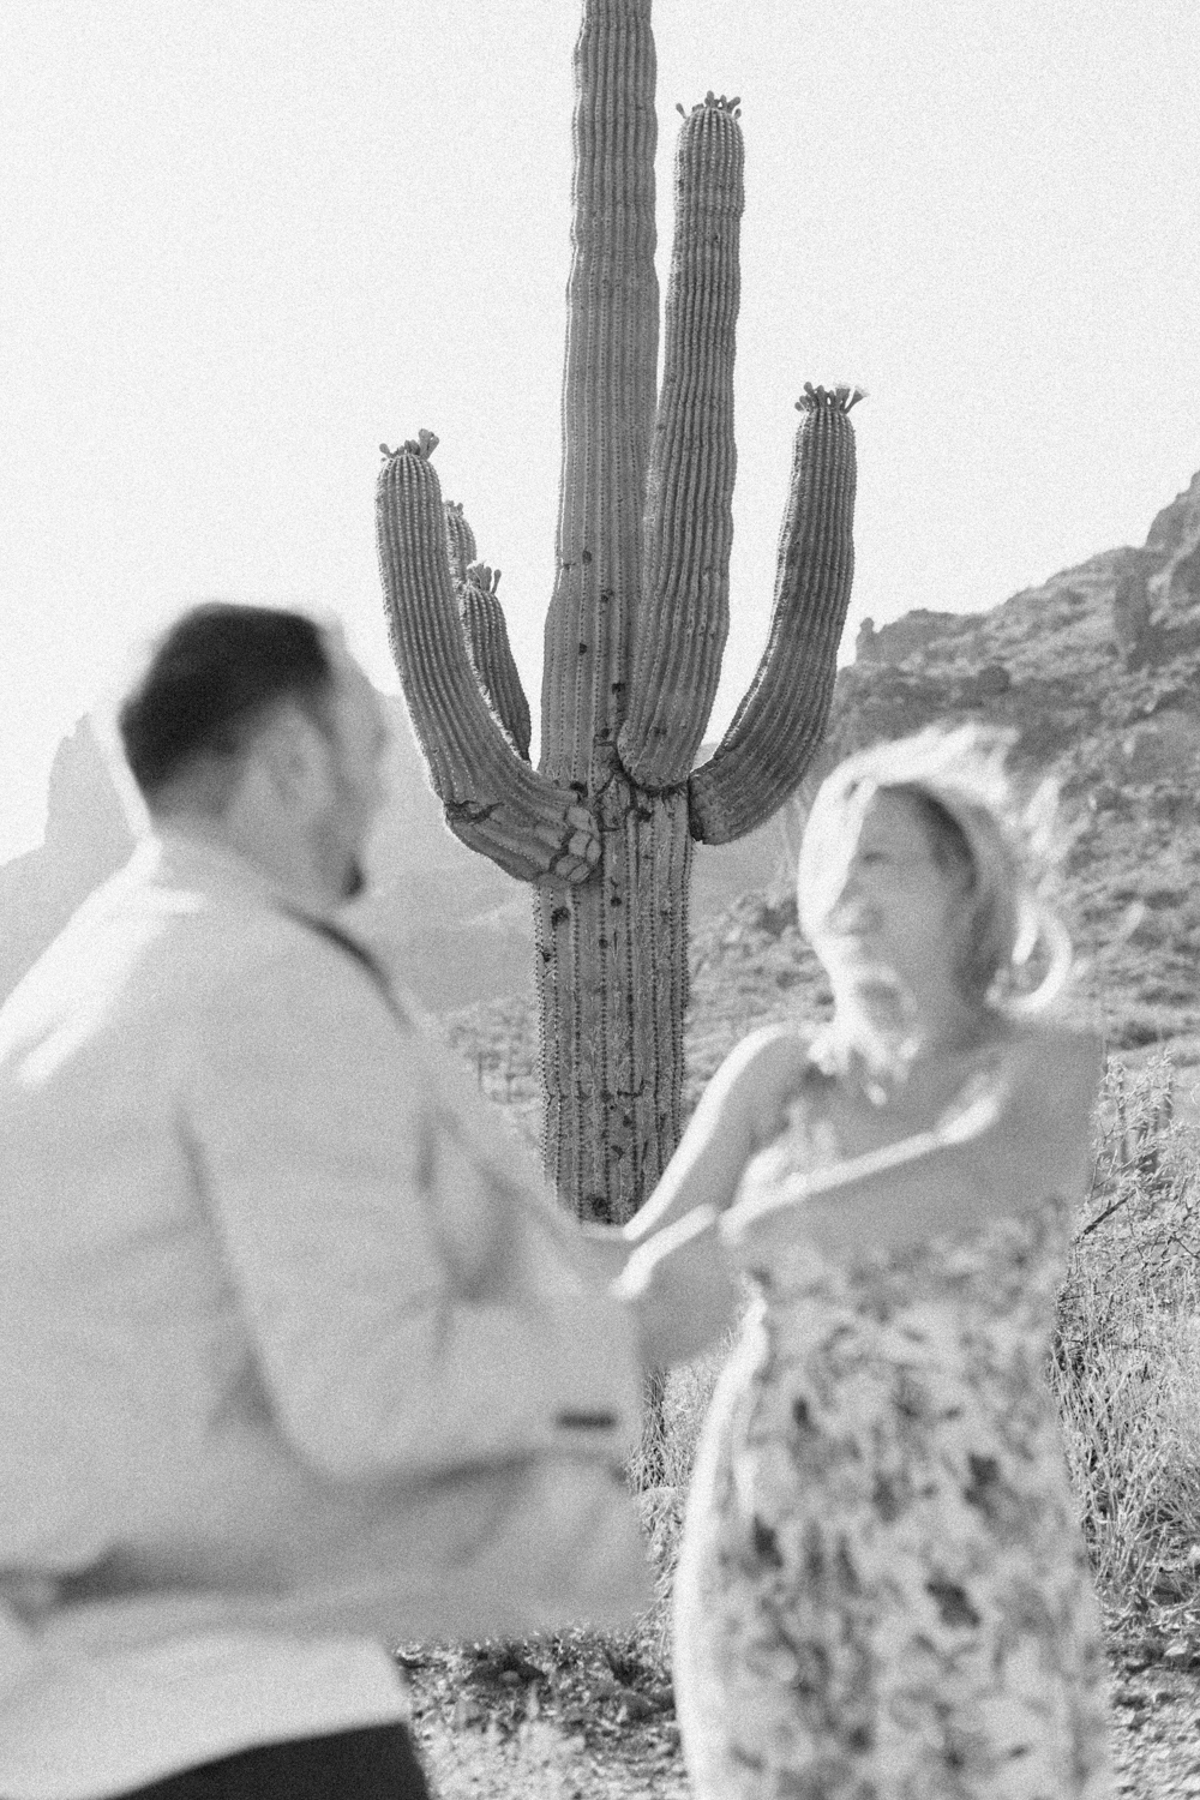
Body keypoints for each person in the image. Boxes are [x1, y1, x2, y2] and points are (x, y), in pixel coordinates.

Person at [0, 602, 737, 1800]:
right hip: (243, 1718)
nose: (380, 799)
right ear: (292, 762)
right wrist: (635, 1335)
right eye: (368, 756)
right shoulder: (267, 976)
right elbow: (361, 1388)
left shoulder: (71, 994)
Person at [627, 725, 1114, 1799]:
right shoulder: (774, 1072)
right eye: (829, 859)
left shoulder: (1044, 1063)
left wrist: (764, 1228)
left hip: (974, 1525)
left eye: (878, 857)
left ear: (962, 877)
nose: (843, 884)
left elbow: (984, 1173)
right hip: (778, 1521)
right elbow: (639, 1268)